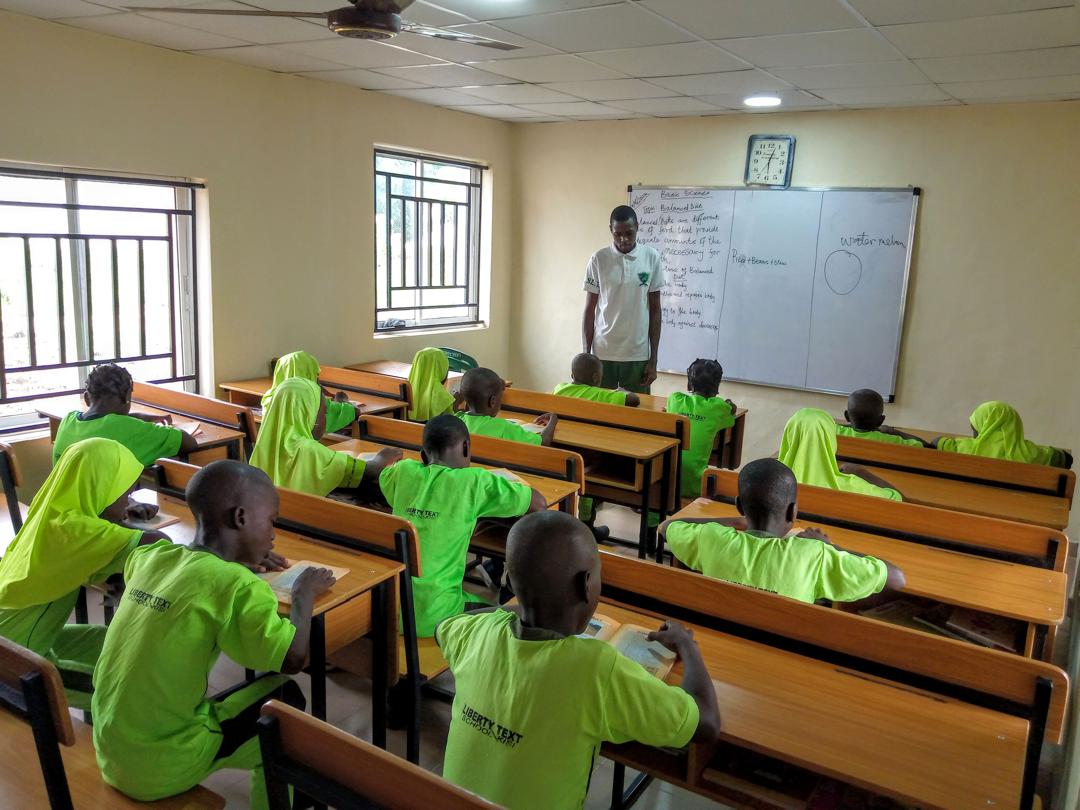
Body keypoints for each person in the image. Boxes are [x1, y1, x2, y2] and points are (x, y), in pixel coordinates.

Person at [436, 511, 720, 810]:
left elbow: (444, 626)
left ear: (511, 581)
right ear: (586, 585)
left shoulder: (476, 632)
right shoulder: (595, 668)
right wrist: (687, 645)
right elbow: (706, 724)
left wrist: (529, 602)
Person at [92, 461, 330, 810]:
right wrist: (303, 594)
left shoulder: (150, 557)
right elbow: (292, 658)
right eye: (271, 521)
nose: (273, 535)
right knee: (284, 699)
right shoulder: (236, 585)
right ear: (241, 518)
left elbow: (195, 584)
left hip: (111, 748)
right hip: (158, 766)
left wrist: (233, 561)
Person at [0, 438, 169, 709]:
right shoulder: (78, 531)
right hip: (15, 664)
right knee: (140, 696)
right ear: (101, 490)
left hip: (15, 637)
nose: (127, 503)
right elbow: (160, 543)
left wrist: (116, 515)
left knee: (117, 643)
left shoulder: (50, 514)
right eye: (125, 494)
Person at [379, 415, 546, 637]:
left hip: (391, 607)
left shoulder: (402, 472)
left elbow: (384, 473)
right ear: (466, 447)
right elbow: (538, 503)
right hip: (438, 615)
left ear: (423, 455)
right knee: (507, 614)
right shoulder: (474, 481)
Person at [661, 459, 904, 606]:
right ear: (792, 511)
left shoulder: (712, 538)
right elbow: (896, 578)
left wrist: (737, 520)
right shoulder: (814, 554)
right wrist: (829, 546)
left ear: (740, 506)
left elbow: (666, 527)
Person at [250, 377, 400, 498]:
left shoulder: (262, 444)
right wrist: (382, 457)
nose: (325, 417)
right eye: (324, 412)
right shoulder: (310, 451)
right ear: (309, 415)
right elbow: (370, 472)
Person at [582, 205, 665, 393]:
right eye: (617, 234)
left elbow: (655, 310)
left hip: (637, 354)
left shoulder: (651, 257)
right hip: (603, 353)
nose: (623, 239)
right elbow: (589, 310)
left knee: (637, 409)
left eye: (629, 233)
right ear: (610, 230)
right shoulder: (598, 259)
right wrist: (586, 355)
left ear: (637, 227)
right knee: (601, 408)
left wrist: (653, 359)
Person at [52, 363, 197, 465]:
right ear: (128, 396)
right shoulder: (131, 430)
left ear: (86, 398)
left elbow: (107, 422)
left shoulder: (68, 420)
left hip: (63, 499)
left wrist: (139, 418)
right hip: (103, 502)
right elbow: (189, 443)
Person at [779, 408, 903, 501]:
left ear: (788, 435)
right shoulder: (852, 486)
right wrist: (863, 473)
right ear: (831, 439)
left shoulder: (772, 479)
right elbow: (896, 498)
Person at [666, 359, 737, 498]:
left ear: (688, 384)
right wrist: (730, 404)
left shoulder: (675, 399)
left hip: (666, 480)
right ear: (717, 387)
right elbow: (731, 411)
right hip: (695, 487)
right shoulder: (719, 407)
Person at [933, 401, 1073, 468]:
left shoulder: (965, 448)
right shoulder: (1029, 453)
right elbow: (1063, 459)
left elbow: (937, 442)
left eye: (974, 429)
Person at [262, 350, 358, 435]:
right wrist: (342, 400)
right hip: (302, 448)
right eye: (315, 374)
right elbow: (354, 411)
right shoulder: (313, 400)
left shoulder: (268, 397)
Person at [458, 367, 557, 446]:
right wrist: (553, 419)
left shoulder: (458, 421)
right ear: (492, 402)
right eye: (500, 398)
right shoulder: (503, 428)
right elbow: (543, 441)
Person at [836, 389, 928, 448]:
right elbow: (926, 446)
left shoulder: (835, 432)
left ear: (847, 416)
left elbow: (830, 424)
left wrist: (847, 425)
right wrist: (893, 431)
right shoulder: (892, 441)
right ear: (881, 420)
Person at [553, 353, 640, 407]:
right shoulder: (599, 395)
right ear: (595, 378)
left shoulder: (559, 387)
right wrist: (622, 391)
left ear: (572, 375)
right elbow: (634, 400)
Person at [407, 347, 458, 421]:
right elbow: (451, 420)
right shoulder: (442, 396)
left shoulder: (406, 387)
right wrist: (455, 404)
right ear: (440, 368)